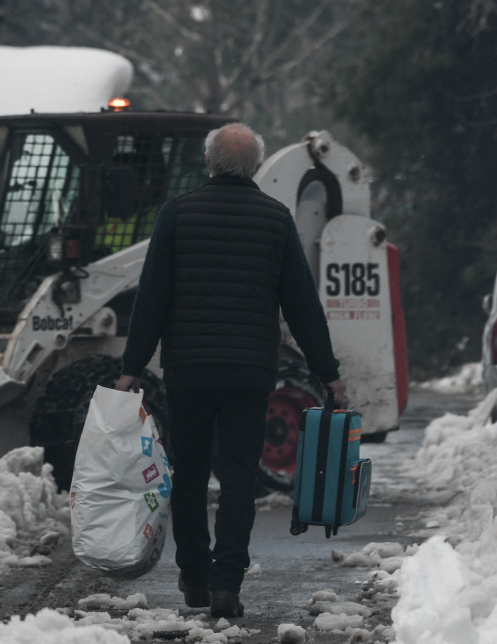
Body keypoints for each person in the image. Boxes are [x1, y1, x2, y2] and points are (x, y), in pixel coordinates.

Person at [115, 122, 345, 618]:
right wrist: (328, 373)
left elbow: (151, 297)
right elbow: (303, 306)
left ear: (209, 163)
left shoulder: (176, 213)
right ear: (257, 167)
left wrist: (132, 368)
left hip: (190, 369)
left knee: (191, 474)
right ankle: (226, 588)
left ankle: (195, 581)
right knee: (239, 478)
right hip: (248, 370)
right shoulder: (275, 218)